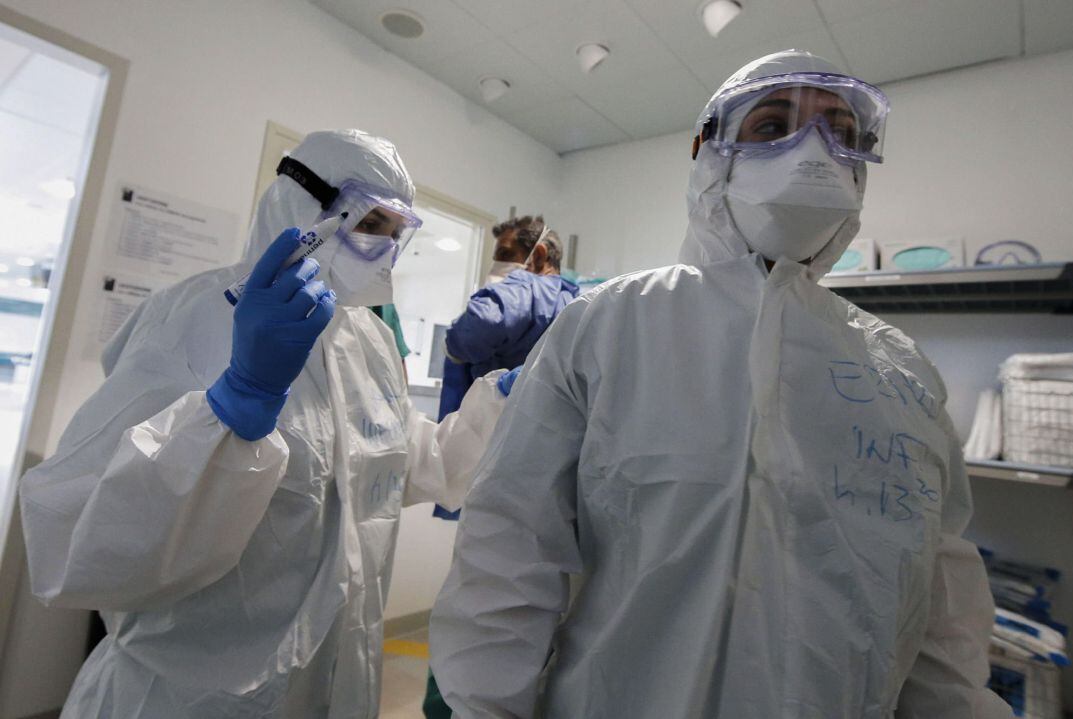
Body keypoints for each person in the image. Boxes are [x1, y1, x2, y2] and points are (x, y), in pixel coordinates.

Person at [429, 51, 1013, 718]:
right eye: (773, 126)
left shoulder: (900, 371)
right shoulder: (605, 328)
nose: (814, 153)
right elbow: (509, 556)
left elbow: (941, 611)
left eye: (841, 134)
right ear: (709, 152)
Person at [19, 130, 515, 718]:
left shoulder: (372, 341)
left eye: (394, 232)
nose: (384, 249)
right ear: (302, 207)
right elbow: (78, 541)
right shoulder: (193, 316)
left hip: (335, 684)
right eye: (369, 224)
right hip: (189, 696)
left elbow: (405, 463)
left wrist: (498, 409)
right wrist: (232, 409)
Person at [432, 216, 579, 519]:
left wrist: (453, 349)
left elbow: (471, 332)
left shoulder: (524, 287)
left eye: (505, 254)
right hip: (552, 463)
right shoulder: (575, 301)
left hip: (494, 454)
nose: (497, 265)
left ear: (537, 255)